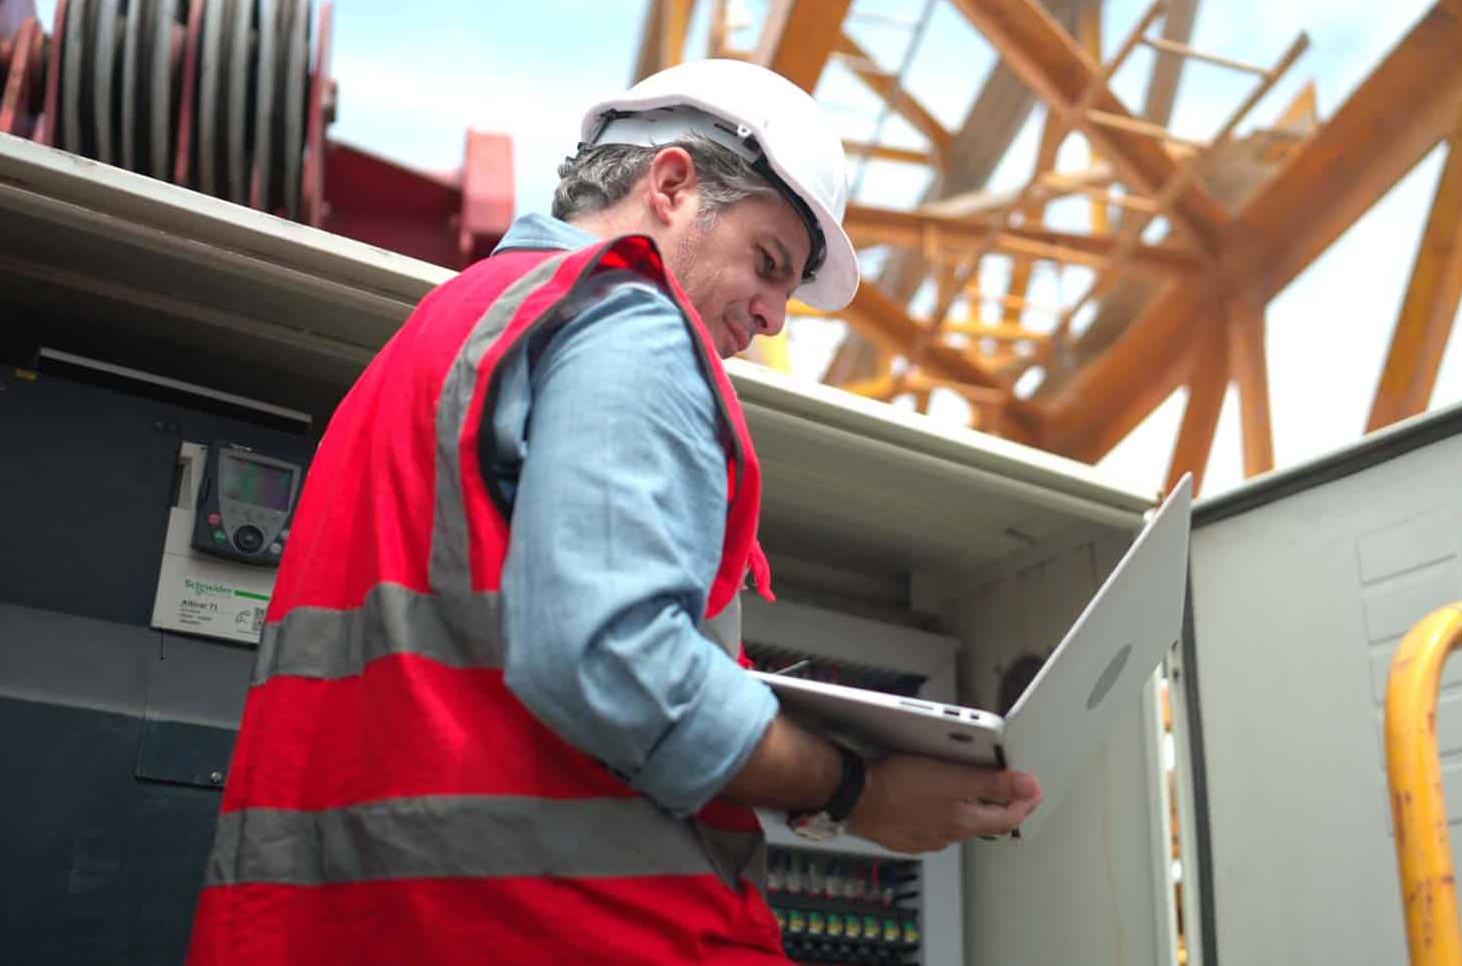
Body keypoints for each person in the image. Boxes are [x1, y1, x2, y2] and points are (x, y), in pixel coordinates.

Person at [188, 58, 1042, 964]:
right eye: (768, 263)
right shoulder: (631, 317)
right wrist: (856, 789)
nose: (774, 318)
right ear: (671, 185)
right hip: (572, 931)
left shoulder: (442, 333)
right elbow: (614, 660)